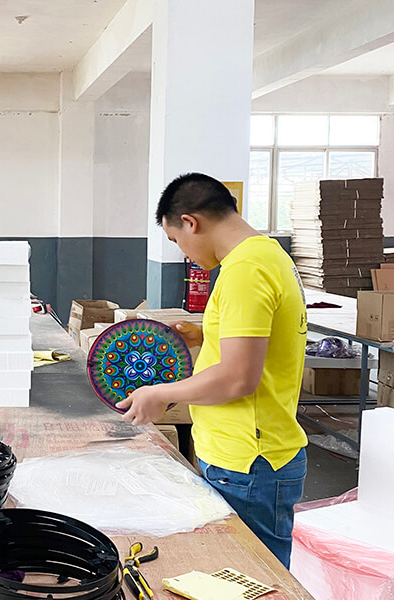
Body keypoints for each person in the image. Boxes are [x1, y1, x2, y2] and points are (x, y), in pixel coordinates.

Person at [117, 173, 308, 568]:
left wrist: (161, 392)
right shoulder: (267, 255)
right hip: (252, 454)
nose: (184, 254)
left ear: (191, 222)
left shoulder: (244, 270)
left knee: (251, 578)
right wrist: (206, 334)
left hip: (247, 460)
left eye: (176, 241)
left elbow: (238, 378)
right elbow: (265, 337)